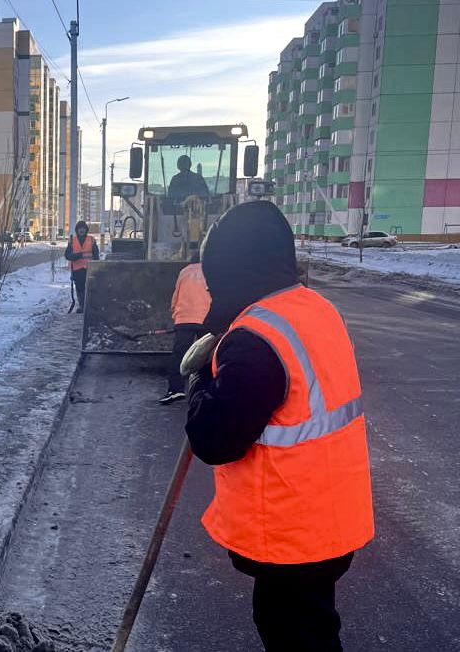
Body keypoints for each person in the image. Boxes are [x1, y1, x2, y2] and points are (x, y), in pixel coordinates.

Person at [185, 201, 374, 651]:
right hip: (327, 518)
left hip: (293, 531)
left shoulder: (256, 340)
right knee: (313, 627)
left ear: (234, 270)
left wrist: (198, 377)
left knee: (294, 634)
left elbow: (213, 438)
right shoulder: (313, 309)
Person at [160, 249, 210, 405]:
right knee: (206, 355)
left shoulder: (184, 272)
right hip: (206, 319)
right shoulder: (211, 271)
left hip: (184, 319)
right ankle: (206, 389)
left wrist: (176, 316)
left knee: (179, 355)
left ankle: (175, 390)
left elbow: (175, 298)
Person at [64, 220, 100, 313]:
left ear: (86, 230)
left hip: (89, 268)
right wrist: (75, 256)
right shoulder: (72, 241)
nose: (81, 230)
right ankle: (82, 306)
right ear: (77, 230)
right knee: (80, 289)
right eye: (80, 228)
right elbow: (67, 255)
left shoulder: (91, 240)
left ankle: (89, 306)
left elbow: (96, 255)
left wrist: (97, 267)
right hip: (77, 270)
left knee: (90, 288)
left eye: (83, 228)